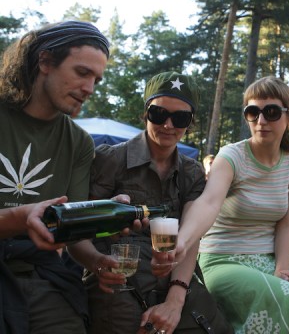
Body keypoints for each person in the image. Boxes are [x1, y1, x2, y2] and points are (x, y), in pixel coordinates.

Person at [166, 76, 289, 333]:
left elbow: (287, 224)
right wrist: (182, 240)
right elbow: (208, 202)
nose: (261, 120)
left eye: (271, 112)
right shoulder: (232, 156)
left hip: (269, 260)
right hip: (222, 261)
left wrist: (282, 268)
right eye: (253, 112)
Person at [66, 71, 207, 334]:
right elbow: (76, 231)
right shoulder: (109, 160)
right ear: (145, 114)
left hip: (176, 281)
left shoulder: (192, 172)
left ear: (191, 122)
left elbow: (192, 238)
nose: (168, 125)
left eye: (180, 118)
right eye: (158, 114)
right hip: (117, 282)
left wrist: (175, 302)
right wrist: (97, 263)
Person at [0, 20, 110, 333]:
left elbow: (72, 232)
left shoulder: (79, 143)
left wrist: (96, 261)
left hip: (42, 275)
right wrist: (21, 217)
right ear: (45, 61)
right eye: (82, 72)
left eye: (96, 80)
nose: (89, 89)